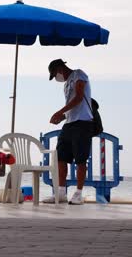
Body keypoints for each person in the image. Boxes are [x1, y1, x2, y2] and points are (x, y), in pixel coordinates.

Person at [43, 59, 94, 205]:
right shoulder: (65, 84)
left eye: (55, 74)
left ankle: (78, 193)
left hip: (83, 123)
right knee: (60, 157)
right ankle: (60, 193)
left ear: (60, 68)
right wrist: (63, 116)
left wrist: (60, 111)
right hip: (69, 123)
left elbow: (79, 97)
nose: (57, 78)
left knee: (80, 159)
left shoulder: (79, 74)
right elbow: (72, 105)